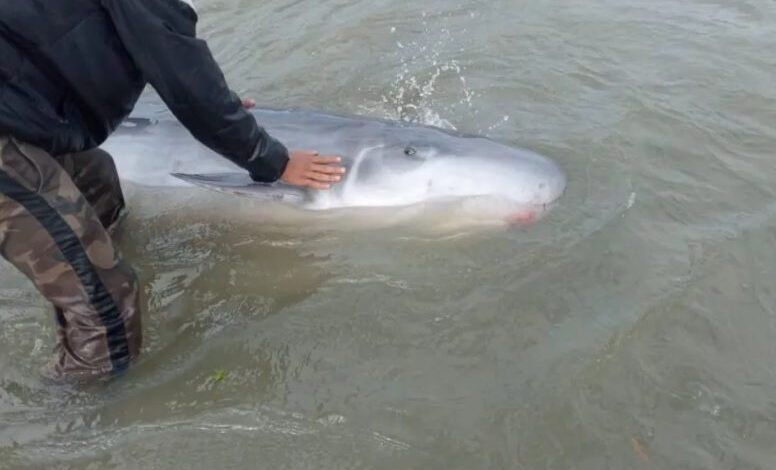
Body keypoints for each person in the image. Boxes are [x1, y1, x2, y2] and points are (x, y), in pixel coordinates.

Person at [0, 0, 345, 384]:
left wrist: (214, 102)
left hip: (18, 111)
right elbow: (185, 80)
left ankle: (87, 276)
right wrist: (276, 162)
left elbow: (125, 49)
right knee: (109, 307)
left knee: (97, 181)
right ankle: (73, 419)